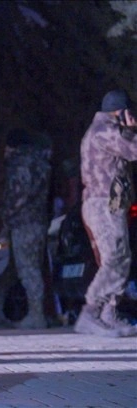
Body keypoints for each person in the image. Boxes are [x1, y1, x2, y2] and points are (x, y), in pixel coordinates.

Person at [74, 89, 137, 337]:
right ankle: (90, 313)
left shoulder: (108, 130)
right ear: (120, 112)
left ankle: (109, 313)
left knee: (119, 257)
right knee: (114, 257)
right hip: (102, 202)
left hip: (110, 202)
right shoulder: (104, 130)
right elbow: (132, 151)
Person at [0, 129, 52, 329]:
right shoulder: (41, 163)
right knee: (16, 266)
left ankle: (37, 315)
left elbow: (19, 195)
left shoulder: (21, 163)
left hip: (23, 222)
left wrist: (7, 214)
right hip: (38, 221)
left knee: (28, 269)